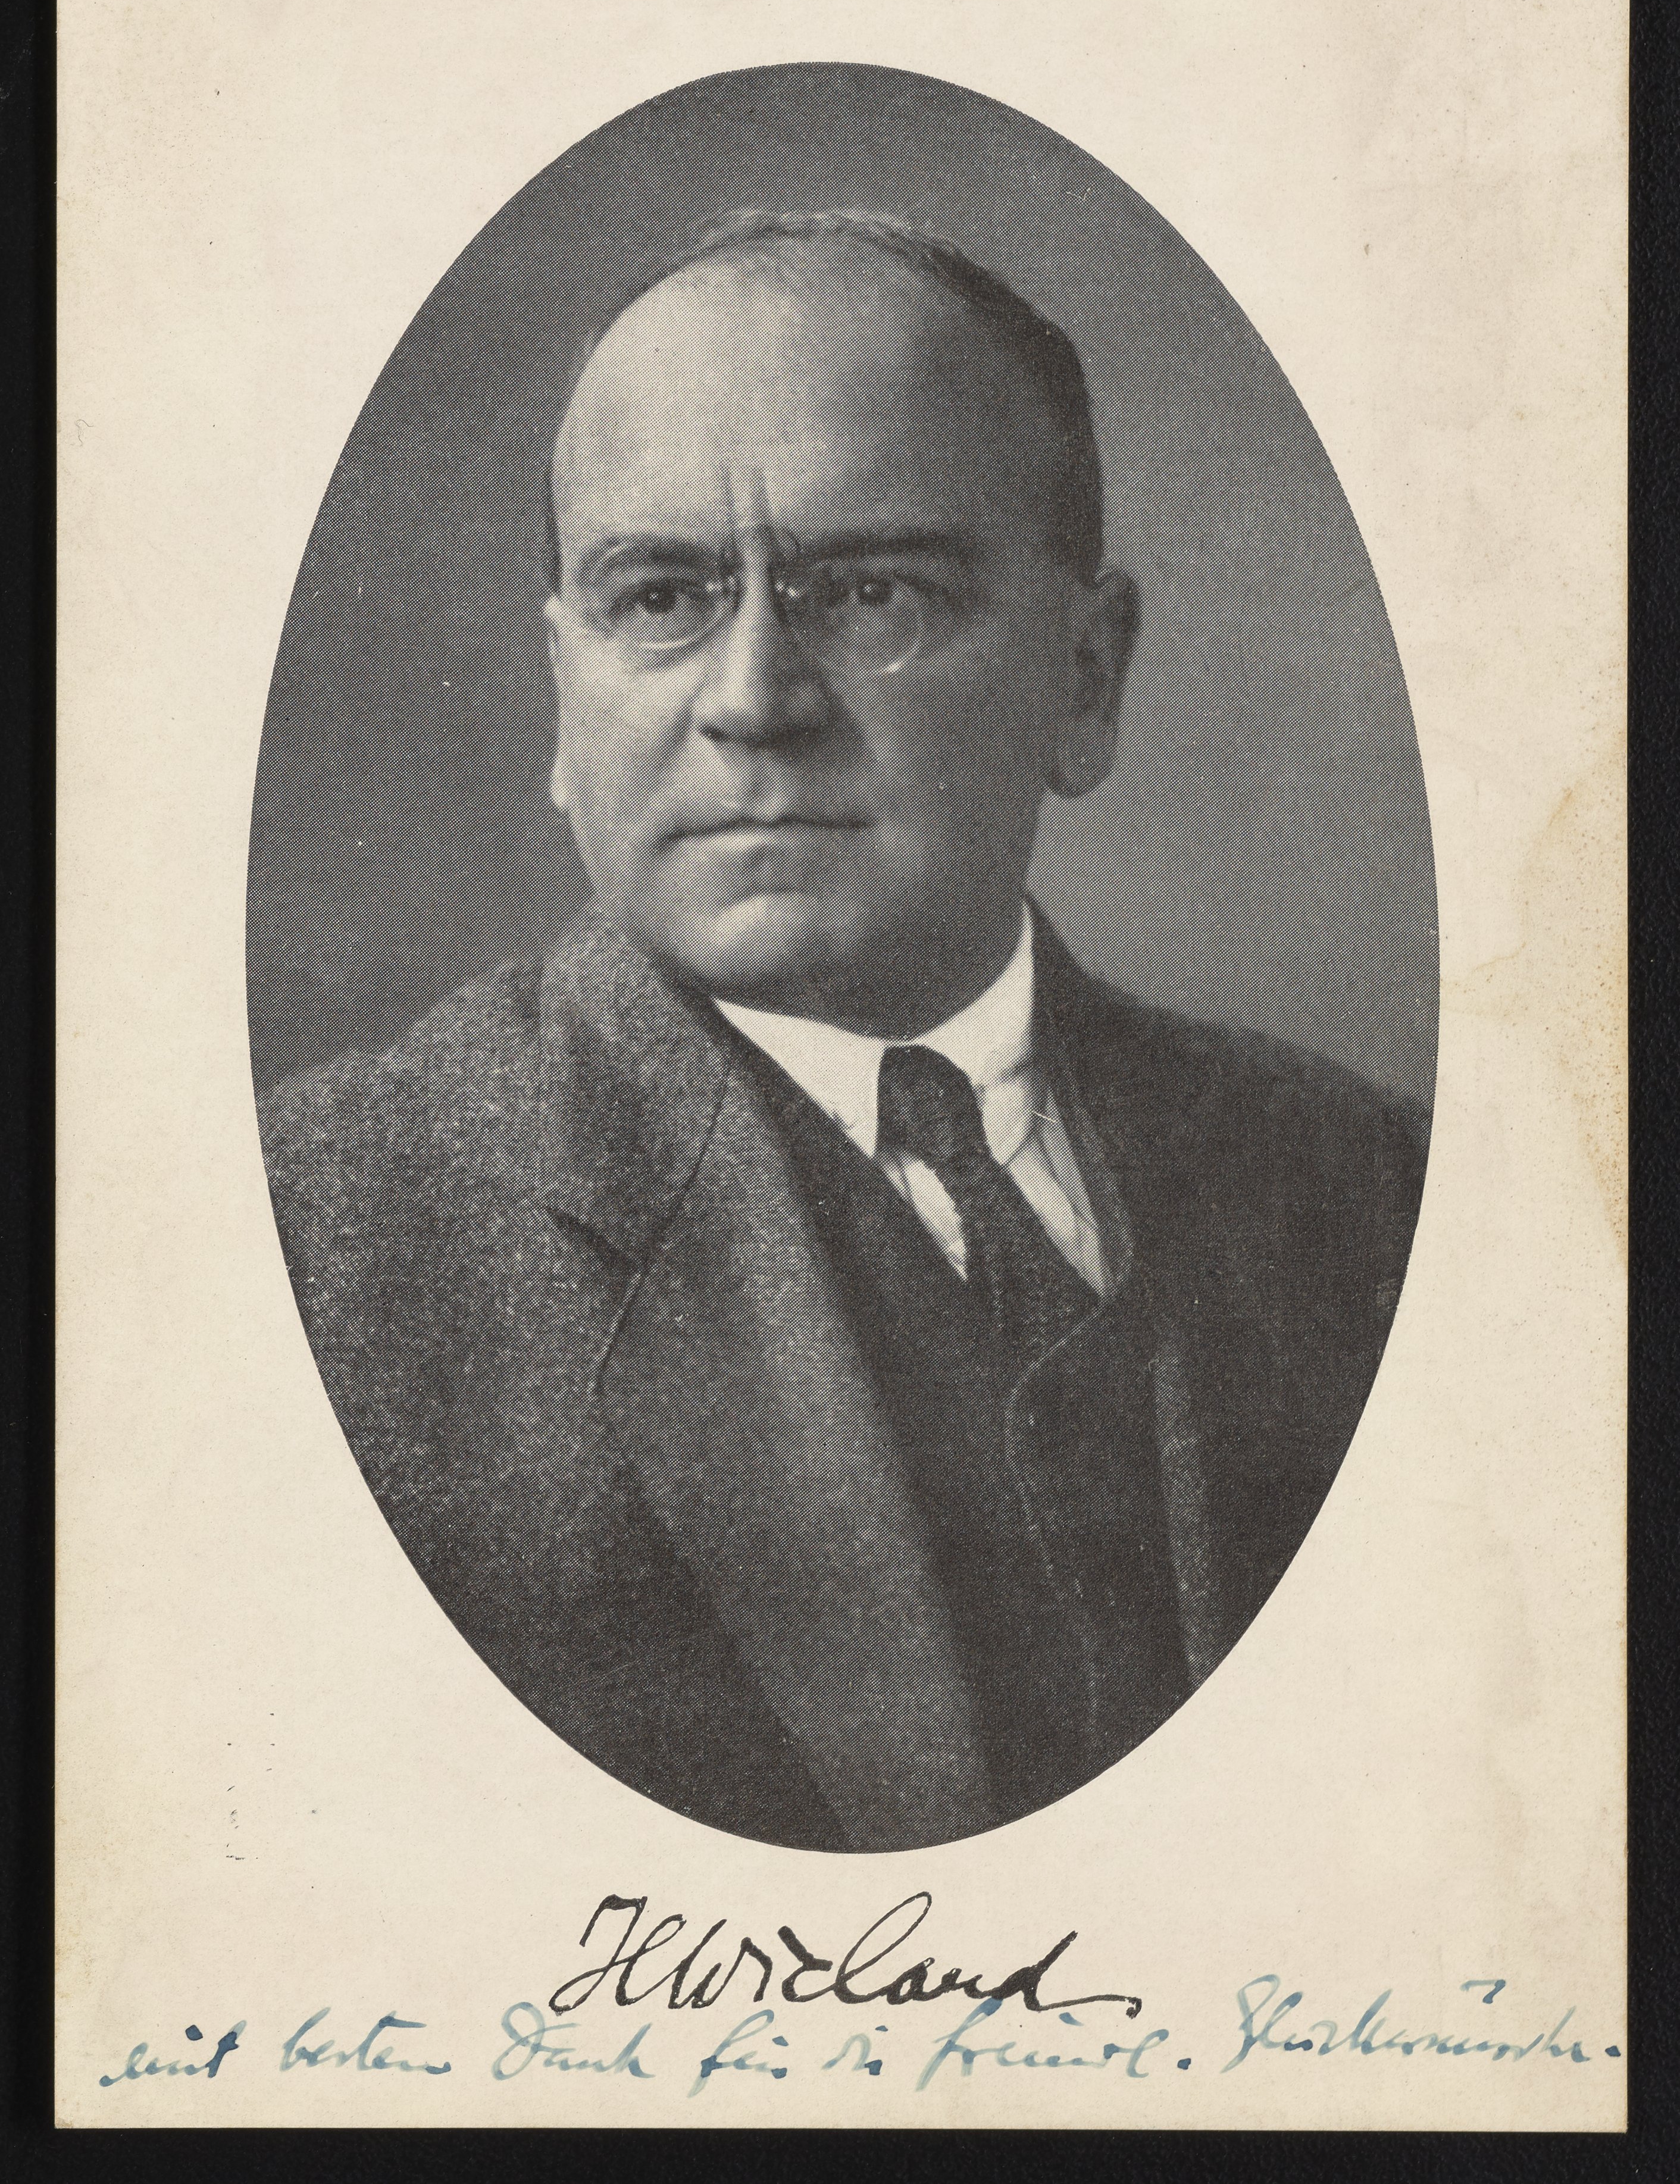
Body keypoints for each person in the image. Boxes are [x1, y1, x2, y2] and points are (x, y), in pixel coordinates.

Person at [260, 209, 1428, 1853]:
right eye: (660, 596)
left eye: (871, 590)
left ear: (1088, 676)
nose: (753, 696)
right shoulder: (317, 1242)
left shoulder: (1363, 1185)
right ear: (564, 692)